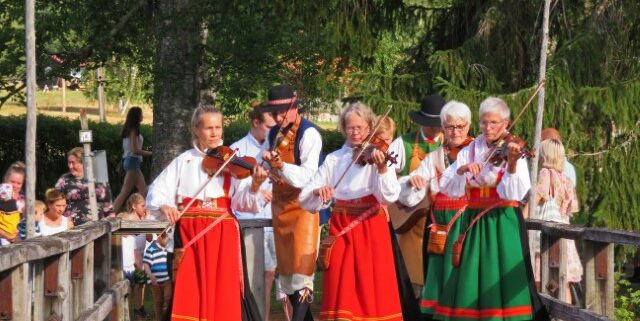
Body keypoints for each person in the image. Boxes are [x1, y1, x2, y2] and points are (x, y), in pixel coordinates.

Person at [146, 106, 267, 321]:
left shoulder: (231, 161)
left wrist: (255, 185)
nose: (214, 133)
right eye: (208, 128)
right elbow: (158, 191)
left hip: (222, 232)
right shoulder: (184, 161)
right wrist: (165, 205)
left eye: (218, 127)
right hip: (190, 233)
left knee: (224, 289)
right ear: (196, 129)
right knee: (189, 289)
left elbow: (244, 202)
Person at [435, 97, 549, 321]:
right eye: (484, 122)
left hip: (502, 219)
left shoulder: (512, 148)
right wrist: (463, 169)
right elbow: (446, 185)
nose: (488, 128)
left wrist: (513, 164)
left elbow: (515, 193)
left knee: (501, 273)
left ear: (505, 123)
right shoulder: (470, 149)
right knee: (470, 274)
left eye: (494, 123)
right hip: (473, 218)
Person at [299, 102, 405, 321]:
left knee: (372, 287)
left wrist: (383, 169)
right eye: (350, 127)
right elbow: (305, 200)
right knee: (341, 283)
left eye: (361, 127)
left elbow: (389, 197)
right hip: (341, 228)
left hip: (370, 228)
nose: (356, 132)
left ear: (370, 128)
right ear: (343, 128)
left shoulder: (379, 157)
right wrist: (320, 192)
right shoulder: (334, 159)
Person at [399, 100, 474, 318]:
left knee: (464, 277)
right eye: (450, 126)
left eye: (460, 126)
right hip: (438, 227)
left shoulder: (476, 152)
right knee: (438, 279)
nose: (455, 131)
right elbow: (409, 192)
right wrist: (413, 183)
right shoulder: (434, 157)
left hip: (465, 224)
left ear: (468, 126)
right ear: (443, 127)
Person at [258, 84, 322, 321]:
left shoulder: (310, 133)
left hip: (305, 208)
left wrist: (281, 166)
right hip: (281, 208)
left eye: (282, 113)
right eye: (274, 114)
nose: (277, 118)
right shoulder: (274, 134)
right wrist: (263, 164)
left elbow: (308, 176)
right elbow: (262, 163)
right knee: (288, 278)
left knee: (302, 276)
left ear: (295, 108)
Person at [388, 94, 446, 296]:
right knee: (411, 280)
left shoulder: (452, 147)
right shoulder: (402, 144)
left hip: (442, 223)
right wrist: (407, 182)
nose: (434, 128)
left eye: (438, 124)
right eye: (430, 124)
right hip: (411, 221)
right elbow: (385, 180)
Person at [229, 104, 278, 320]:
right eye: (268, 126)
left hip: (271, 220)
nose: (272, 131)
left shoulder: (276, 149)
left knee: (270, 275)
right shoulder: (237, 149)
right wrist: (259, 192)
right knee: (249, 277)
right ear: (255, 123)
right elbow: (234, 191)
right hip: (248, 221)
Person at [534, 139, 582, 304]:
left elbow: (537, 197)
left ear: (545, 155)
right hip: (563, 235)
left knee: (540, 281)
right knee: (563, 284)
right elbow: (570, 210)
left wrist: (521, 217)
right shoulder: (566, 180)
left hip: (547, 237)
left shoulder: (545, 173)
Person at [55, 147, 115, 225]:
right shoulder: (64, 180)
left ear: (83, 162)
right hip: (71, 227)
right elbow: (54, 203)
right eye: (69, 162)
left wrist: (112, 226)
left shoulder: (99, 179)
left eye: (73, 163)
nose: (70, 166)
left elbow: (108, 206)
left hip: (98, 227)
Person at [113, 106, 152, 212]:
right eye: (141, 114)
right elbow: (135, 150)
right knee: (125, 191)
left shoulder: (128, 129)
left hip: (131, 161)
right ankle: (111, 214)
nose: (142, 116)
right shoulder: (134, 130)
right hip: (133, 161)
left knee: (144, 191)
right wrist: (150, 153)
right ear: (137, 116)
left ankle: (142, 212)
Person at [119, 193, 150, 318]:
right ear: (133, 206)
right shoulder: (126, 216)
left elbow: (149, 237)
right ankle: (124, 311)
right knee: (129, 286)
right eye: (142, 206)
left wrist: (146, 221)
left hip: (141, 255)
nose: (145, 208)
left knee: (141, 283)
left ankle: (139, 308)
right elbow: (124, 234)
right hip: (128, 256)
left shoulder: (144, 219)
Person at [143, 233, 172, 320]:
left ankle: (166, 317)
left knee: (168, 298)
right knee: (158, 301)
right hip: (155, 281)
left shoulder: (169, 247)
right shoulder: (151, 248)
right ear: (158, 236)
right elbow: (146, 263)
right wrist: (151, 276)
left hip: (167, 279)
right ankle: (159, 318)